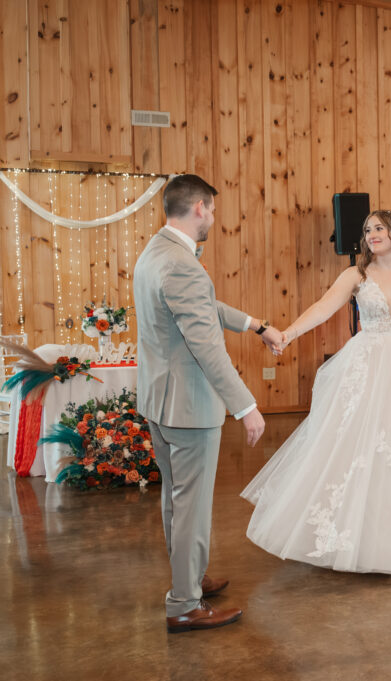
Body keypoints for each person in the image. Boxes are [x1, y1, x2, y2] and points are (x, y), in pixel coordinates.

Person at [242, 210, 391, 574]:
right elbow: (323, 308)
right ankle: (355, 539)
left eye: (378, 227)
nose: (371, 234)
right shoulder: (356, 274)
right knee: (360, 447)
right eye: (367, 230)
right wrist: (288, 333)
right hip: (367, 366)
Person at [133, 174, 278, 633]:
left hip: (161, 401)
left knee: (176, 499)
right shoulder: (182, 265)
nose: (213, 217)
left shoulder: (157, 252)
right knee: (191, 506)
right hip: (190, 407)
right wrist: (245, 405)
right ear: (199, 207)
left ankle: (188, 578)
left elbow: (206, 308)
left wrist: (257, 325)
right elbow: (205, 345)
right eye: (212, 210)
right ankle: (183, 604)